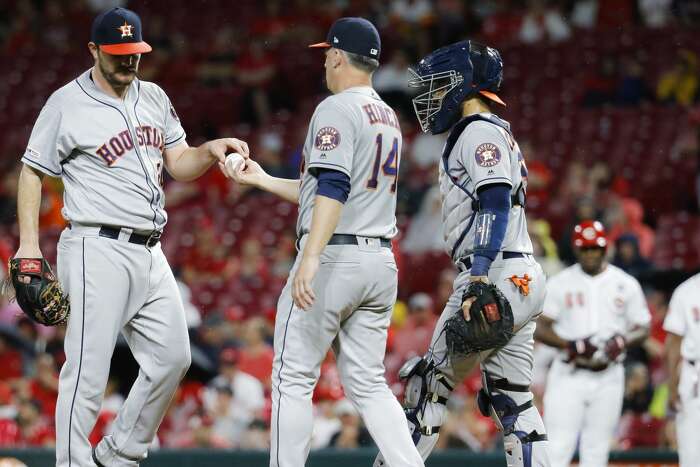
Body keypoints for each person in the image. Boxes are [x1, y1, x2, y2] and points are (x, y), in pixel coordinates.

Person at [14, 7, 249, 467]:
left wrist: (209, 150)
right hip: (93, 247)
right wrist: (27, 244)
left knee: (174, 357)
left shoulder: (155, 97)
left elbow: (179, 161)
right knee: (86, 371)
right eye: (118, 55)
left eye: (134, 54)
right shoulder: (66, 102)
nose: (128, 63)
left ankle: (118, 452)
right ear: (94, 51)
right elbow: (31, 171)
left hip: (149, 250)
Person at [223, 17, 423, 467]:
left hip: (335, 257)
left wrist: (310, 258)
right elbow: (329, 189)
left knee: (292, 377)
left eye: (326, 54)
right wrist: (264, 180)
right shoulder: (387, 114)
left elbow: (332, 188)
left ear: (336, 55)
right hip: (378, 262)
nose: (325, 63)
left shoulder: (335, 108)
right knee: (369, 382)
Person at [375, 40, 550, 467]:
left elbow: (493, 199)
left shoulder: (477, 131)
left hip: (494, 272)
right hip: (523, 276)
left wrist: (478, 275)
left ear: (465, 86)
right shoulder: (495, 130)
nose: (432, 95)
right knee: (514, 402)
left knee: (427, 388)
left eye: (441, 84)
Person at [535, 220, 650, 467]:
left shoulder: (625, 283)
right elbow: (539, 326)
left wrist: (623, 340)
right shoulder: (560, 282)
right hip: (569, 373)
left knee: (597, 451)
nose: (590, 253)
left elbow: (643, 327)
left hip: (609, 375)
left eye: (594, 248)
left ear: (604, 247)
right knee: (557, 448)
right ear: (576, 250)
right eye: (585, 248)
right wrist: (569, 344)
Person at [663, 272, 700, 467]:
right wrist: (672, 386)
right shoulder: (686, 291)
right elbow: (674, 342)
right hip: (693, 373)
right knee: (691, 451)